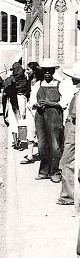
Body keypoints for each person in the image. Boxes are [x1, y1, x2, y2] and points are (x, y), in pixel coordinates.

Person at [34, 58, 67, 183]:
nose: (47, 73)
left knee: (54, 145)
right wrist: (37, 104)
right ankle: (44, 171)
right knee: (42, 144)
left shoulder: (60, 84)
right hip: (40, 116)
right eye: (45, 71)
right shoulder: (38, 84)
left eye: (49, 71)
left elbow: (64, 102)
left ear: (53, 71)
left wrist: (50, 103)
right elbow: (31, 100)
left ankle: (55, 171)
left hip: (54, 116)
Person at [56, 61, 80, 204]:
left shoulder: (78, 96)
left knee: (66, 163)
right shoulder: (76, 93)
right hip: (71, 132)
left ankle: (69, 196)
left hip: (73, 134)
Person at [20, 62, 43, 164]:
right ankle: (30, 155)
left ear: (34, 71)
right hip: (30, 109)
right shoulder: (29, 82)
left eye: (28, 69)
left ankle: (43, 155)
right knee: (30, 131)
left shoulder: (41, 83)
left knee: (41, 132)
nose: (26, 72)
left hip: (39, 110)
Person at [3, 62, 27, 149]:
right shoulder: (25, 80)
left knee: (13, 119)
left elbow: (5, 86)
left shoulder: (10, 79)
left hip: (13, 100)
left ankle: (15, 140)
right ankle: (21, 139)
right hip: (23, 100)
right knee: (21, 119)